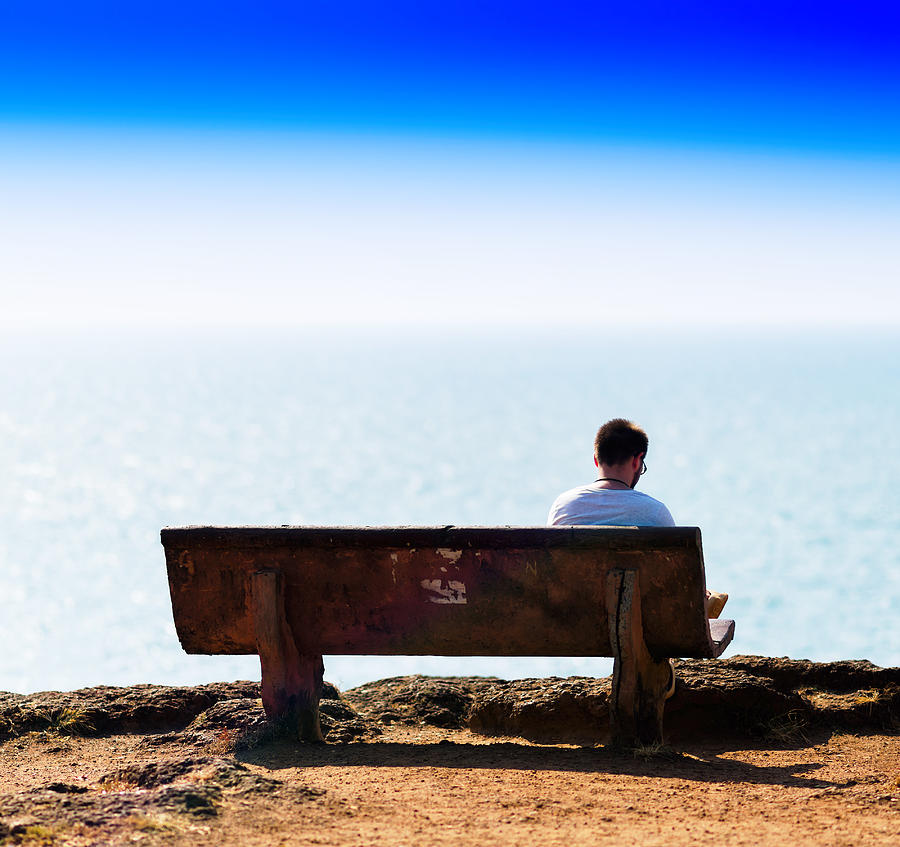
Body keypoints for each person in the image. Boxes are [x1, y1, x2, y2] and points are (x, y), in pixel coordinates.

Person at [547, 418, 727, 619]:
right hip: (640, 623)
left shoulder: (563, 505)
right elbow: (676, 586)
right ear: (636, 460)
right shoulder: (655, 512)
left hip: (572, 618)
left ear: (596, 459)